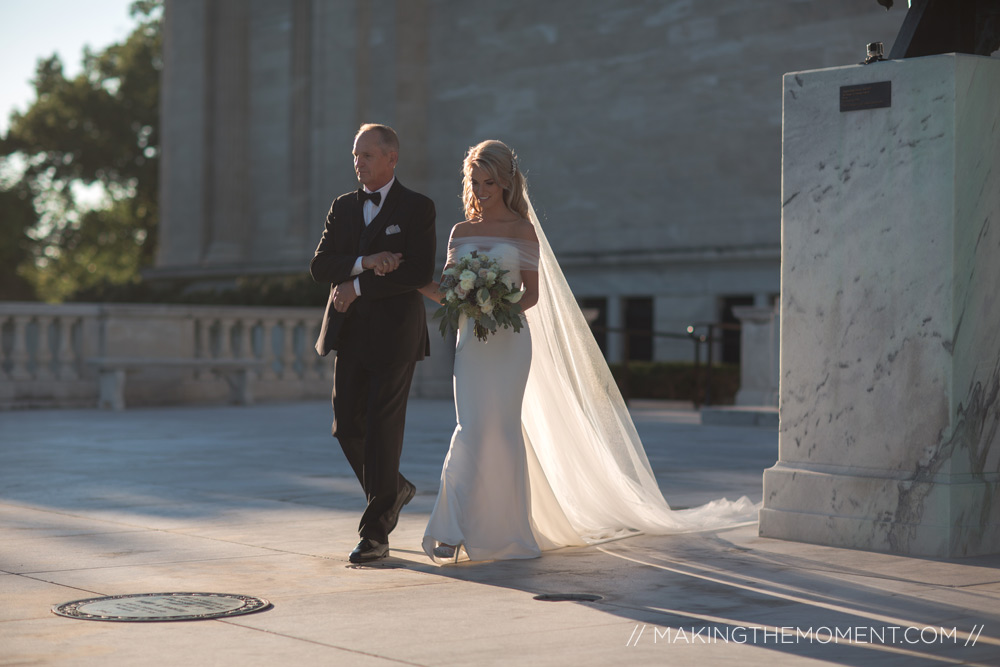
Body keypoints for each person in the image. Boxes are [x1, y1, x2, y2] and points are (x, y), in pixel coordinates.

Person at [416, 140, 757, 564]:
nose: (482, 190)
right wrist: (417, 283)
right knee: (470, 428)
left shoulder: (523, 230)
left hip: (509, 341)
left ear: (506, 182)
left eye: (490, 182)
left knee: (502, 430)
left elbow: (533, 296)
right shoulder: (460, 233)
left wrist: (493, 304)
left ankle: (501, 532)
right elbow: (448, 294)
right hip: (470, 344)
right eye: (475, 182)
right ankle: (451, 529)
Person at [310, 123, 436, 564]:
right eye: (355, 155)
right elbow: (321, 265)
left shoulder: (418, 207)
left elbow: (417, 273)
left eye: (367, 155)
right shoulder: (342, 207)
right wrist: (367, 262)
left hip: (397, 337)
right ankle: (395, 488)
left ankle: (375, 533)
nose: (358, 163)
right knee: (346, 426)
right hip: (350, 335)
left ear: (391, 159)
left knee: (383, 431)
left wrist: (359, 286)